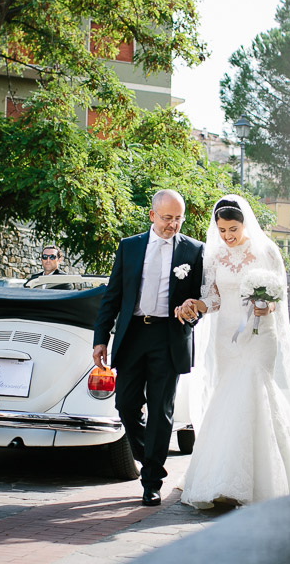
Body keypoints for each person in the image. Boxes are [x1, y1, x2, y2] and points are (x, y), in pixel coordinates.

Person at [174, 195, 290, 509]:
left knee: (254, 394)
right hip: (226, 337)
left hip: (261, 335)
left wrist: (269, 306)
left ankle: (260, 479)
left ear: (244, 223)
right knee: (229, 401)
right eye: (222, 230)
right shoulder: (213, 257)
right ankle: (222, 479)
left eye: (233, 229)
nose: (227, 236)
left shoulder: (266, 251)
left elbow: (280, 293)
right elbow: (214, 300)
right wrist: (196, 304)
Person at [92, 189, 205, 506]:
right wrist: (100, 337)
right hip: (133, 336)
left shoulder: (195, 251)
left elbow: (201, 299)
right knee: (125, 406)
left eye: (178, 218)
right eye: (167, 218)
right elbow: (112, 296)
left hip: (170, 336)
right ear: (152, 215)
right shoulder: (129, 247)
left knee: (161, 411)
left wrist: (190, 313)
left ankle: (151, 480)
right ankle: (148, 456)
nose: (173, 224)